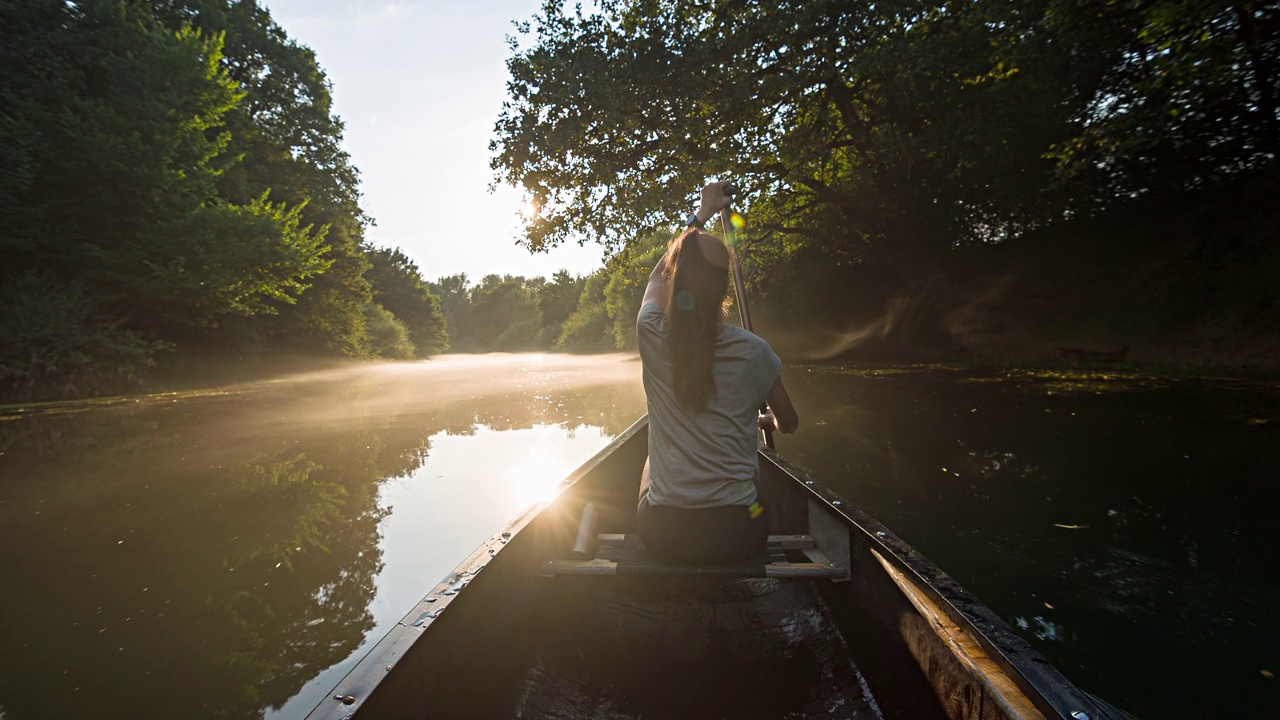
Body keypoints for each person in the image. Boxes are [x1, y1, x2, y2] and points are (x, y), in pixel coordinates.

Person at [635, 180, 799, 564]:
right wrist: (768, 421)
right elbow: (789, 422)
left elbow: (655, 279)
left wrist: (701, 213)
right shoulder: (753, 351)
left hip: (664, 535)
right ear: (723, 288)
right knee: (755, 486)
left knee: (646, 458)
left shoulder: (652, 332)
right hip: (739, 535)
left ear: (677, 281)